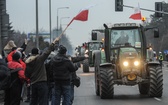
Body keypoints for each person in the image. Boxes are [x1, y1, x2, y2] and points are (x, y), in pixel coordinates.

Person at [24, 38, 58, 105]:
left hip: (33, 83)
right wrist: (53, 43)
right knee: (43, 100)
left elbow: (26, 74)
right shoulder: (39, 59)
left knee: (33, 100)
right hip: (42, 83)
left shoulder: (28, 62)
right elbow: (47, 51)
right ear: (38, 53)